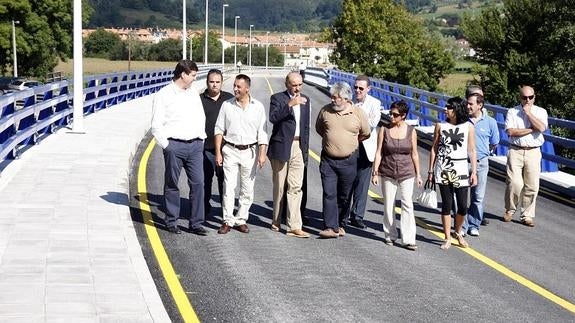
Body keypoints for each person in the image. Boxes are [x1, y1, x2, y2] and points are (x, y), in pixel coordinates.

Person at [150, 59, 208, 236]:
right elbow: (155, 125)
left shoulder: (193, 93)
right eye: (193, 75)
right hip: (174, 145)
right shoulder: (163, 95)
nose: (195, 78)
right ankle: (171, 221)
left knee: (198, 184)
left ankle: (196, 223)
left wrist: (201, 139)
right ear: (183, 74)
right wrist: (168, 146)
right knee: (172, 184)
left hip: (195, 145)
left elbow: (200, 116)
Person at [214, 74, 269, 234]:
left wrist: (262, 153)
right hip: (230, 150)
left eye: (239, 86)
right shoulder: (227, 105)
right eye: (235, 86)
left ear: (247, 88)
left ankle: (241, 219)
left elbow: (262, 132)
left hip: (250, 152)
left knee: (247, 189)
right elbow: (218, 129)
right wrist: (218, 152)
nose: (235, 89)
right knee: (228, 187)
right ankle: (227, 220)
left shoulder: (258, 107)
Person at [315, 81, 371, 238]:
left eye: (336, 97)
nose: (333, 100)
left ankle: (340, 223)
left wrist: (350, 143)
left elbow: (366, 133)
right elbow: (320, 129)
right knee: (329, 193)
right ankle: (330, 227)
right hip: (328, 160)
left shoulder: (358, 113)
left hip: (349, 161)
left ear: (346, 98)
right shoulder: (325, 111)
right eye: (332, 97)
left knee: (344, 195)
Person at [372, 100, 422, 250]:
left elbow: (414, 154)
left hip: (407, 172)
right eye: (390, 114)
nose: (391, 117)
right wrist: (375, 172)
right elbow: (379, 151)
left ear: (403, 116)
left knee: (407, 204)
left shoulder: (411, 131)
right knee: (388, 204)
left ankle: (408, 239)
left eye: (395, 115)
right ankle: (390, 234)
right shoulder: (384, 129)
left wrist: (419, 174)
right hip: (387, 171)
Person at [428, 97, 477, 250]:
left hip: (461, 167)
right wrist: (430, 170)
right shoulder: (440, 126)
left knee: (463, 206)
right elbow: (434, 148)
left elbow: (472, 150)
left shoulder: (468, 127)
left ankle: (458, 231)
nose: (445, 109)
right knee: (447, 205)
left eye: (448, 107)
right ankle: (447, 237)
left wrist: (474, 171)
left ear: (456, 110)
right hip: (443, 167)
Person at [268, 71, 311, 238]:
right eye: (294, 85)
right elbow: (273, 117)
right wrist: (290, 105)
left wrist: (305, 148)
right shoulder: (277, 98)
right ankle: (276, 220)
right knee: (280, 186)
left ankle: (294, 225)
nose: (297, 88)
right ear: (287, 84)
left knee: (296, 187)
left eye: (300, 85)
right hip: (282, 146)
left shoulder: (306, 100)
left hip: (299, 146)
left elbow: (305, 126)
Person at [503, 86, 548, 227]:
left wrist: (529, 114)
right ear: (520, 97)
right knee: (514, 183)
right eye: (524, 97)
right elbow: (511, 132)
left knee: (532, 185)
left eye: (530, 97)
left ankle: (527, 215)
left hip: (533, 151)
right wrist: (530, 129)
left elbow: (541, 128)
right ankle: (510, 209)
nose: (527, 100)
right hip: (515, 150)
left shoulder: (541, 111)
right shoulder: (512, 111)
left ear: (534, 97)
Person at [462, 92, 499, 237]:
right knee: (461, 197)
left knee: (478, 197)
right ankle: (462, 226)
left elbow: (494, 143)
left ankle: (474, 224)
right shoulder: (462, 120)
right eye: (467, 103)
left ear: (480, 105)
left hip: (481, 164)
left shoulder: (490, 122)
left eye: (471, 104)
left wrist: (483, 153)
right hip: (463, 162)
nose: (468, 106)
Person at [348, 75, 382, 229]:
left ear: (368, 89)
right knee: (347, 182)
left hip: (366, 148)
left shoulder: (375, 103)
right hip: (349, 147)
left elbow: (373, 123)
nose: (357, 90)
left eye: (361, 88)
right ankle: (343, 214)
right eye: (355, 87)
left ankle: (357, 216)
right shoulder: (348, 101)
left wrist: (356, 120)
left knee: (362, 185)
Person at [200, 69, 234, 218]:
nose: (214, 85)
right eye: (211, 82)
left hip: (225, 147)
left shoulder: (229, 99)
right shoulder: (199, 100)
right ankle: (203, 208)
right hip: (205, 148)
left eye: (217, 82)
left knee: (225, 181)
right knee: (204, 181)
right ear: (207, 83)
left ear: (222, 82)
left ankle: (226, 210)